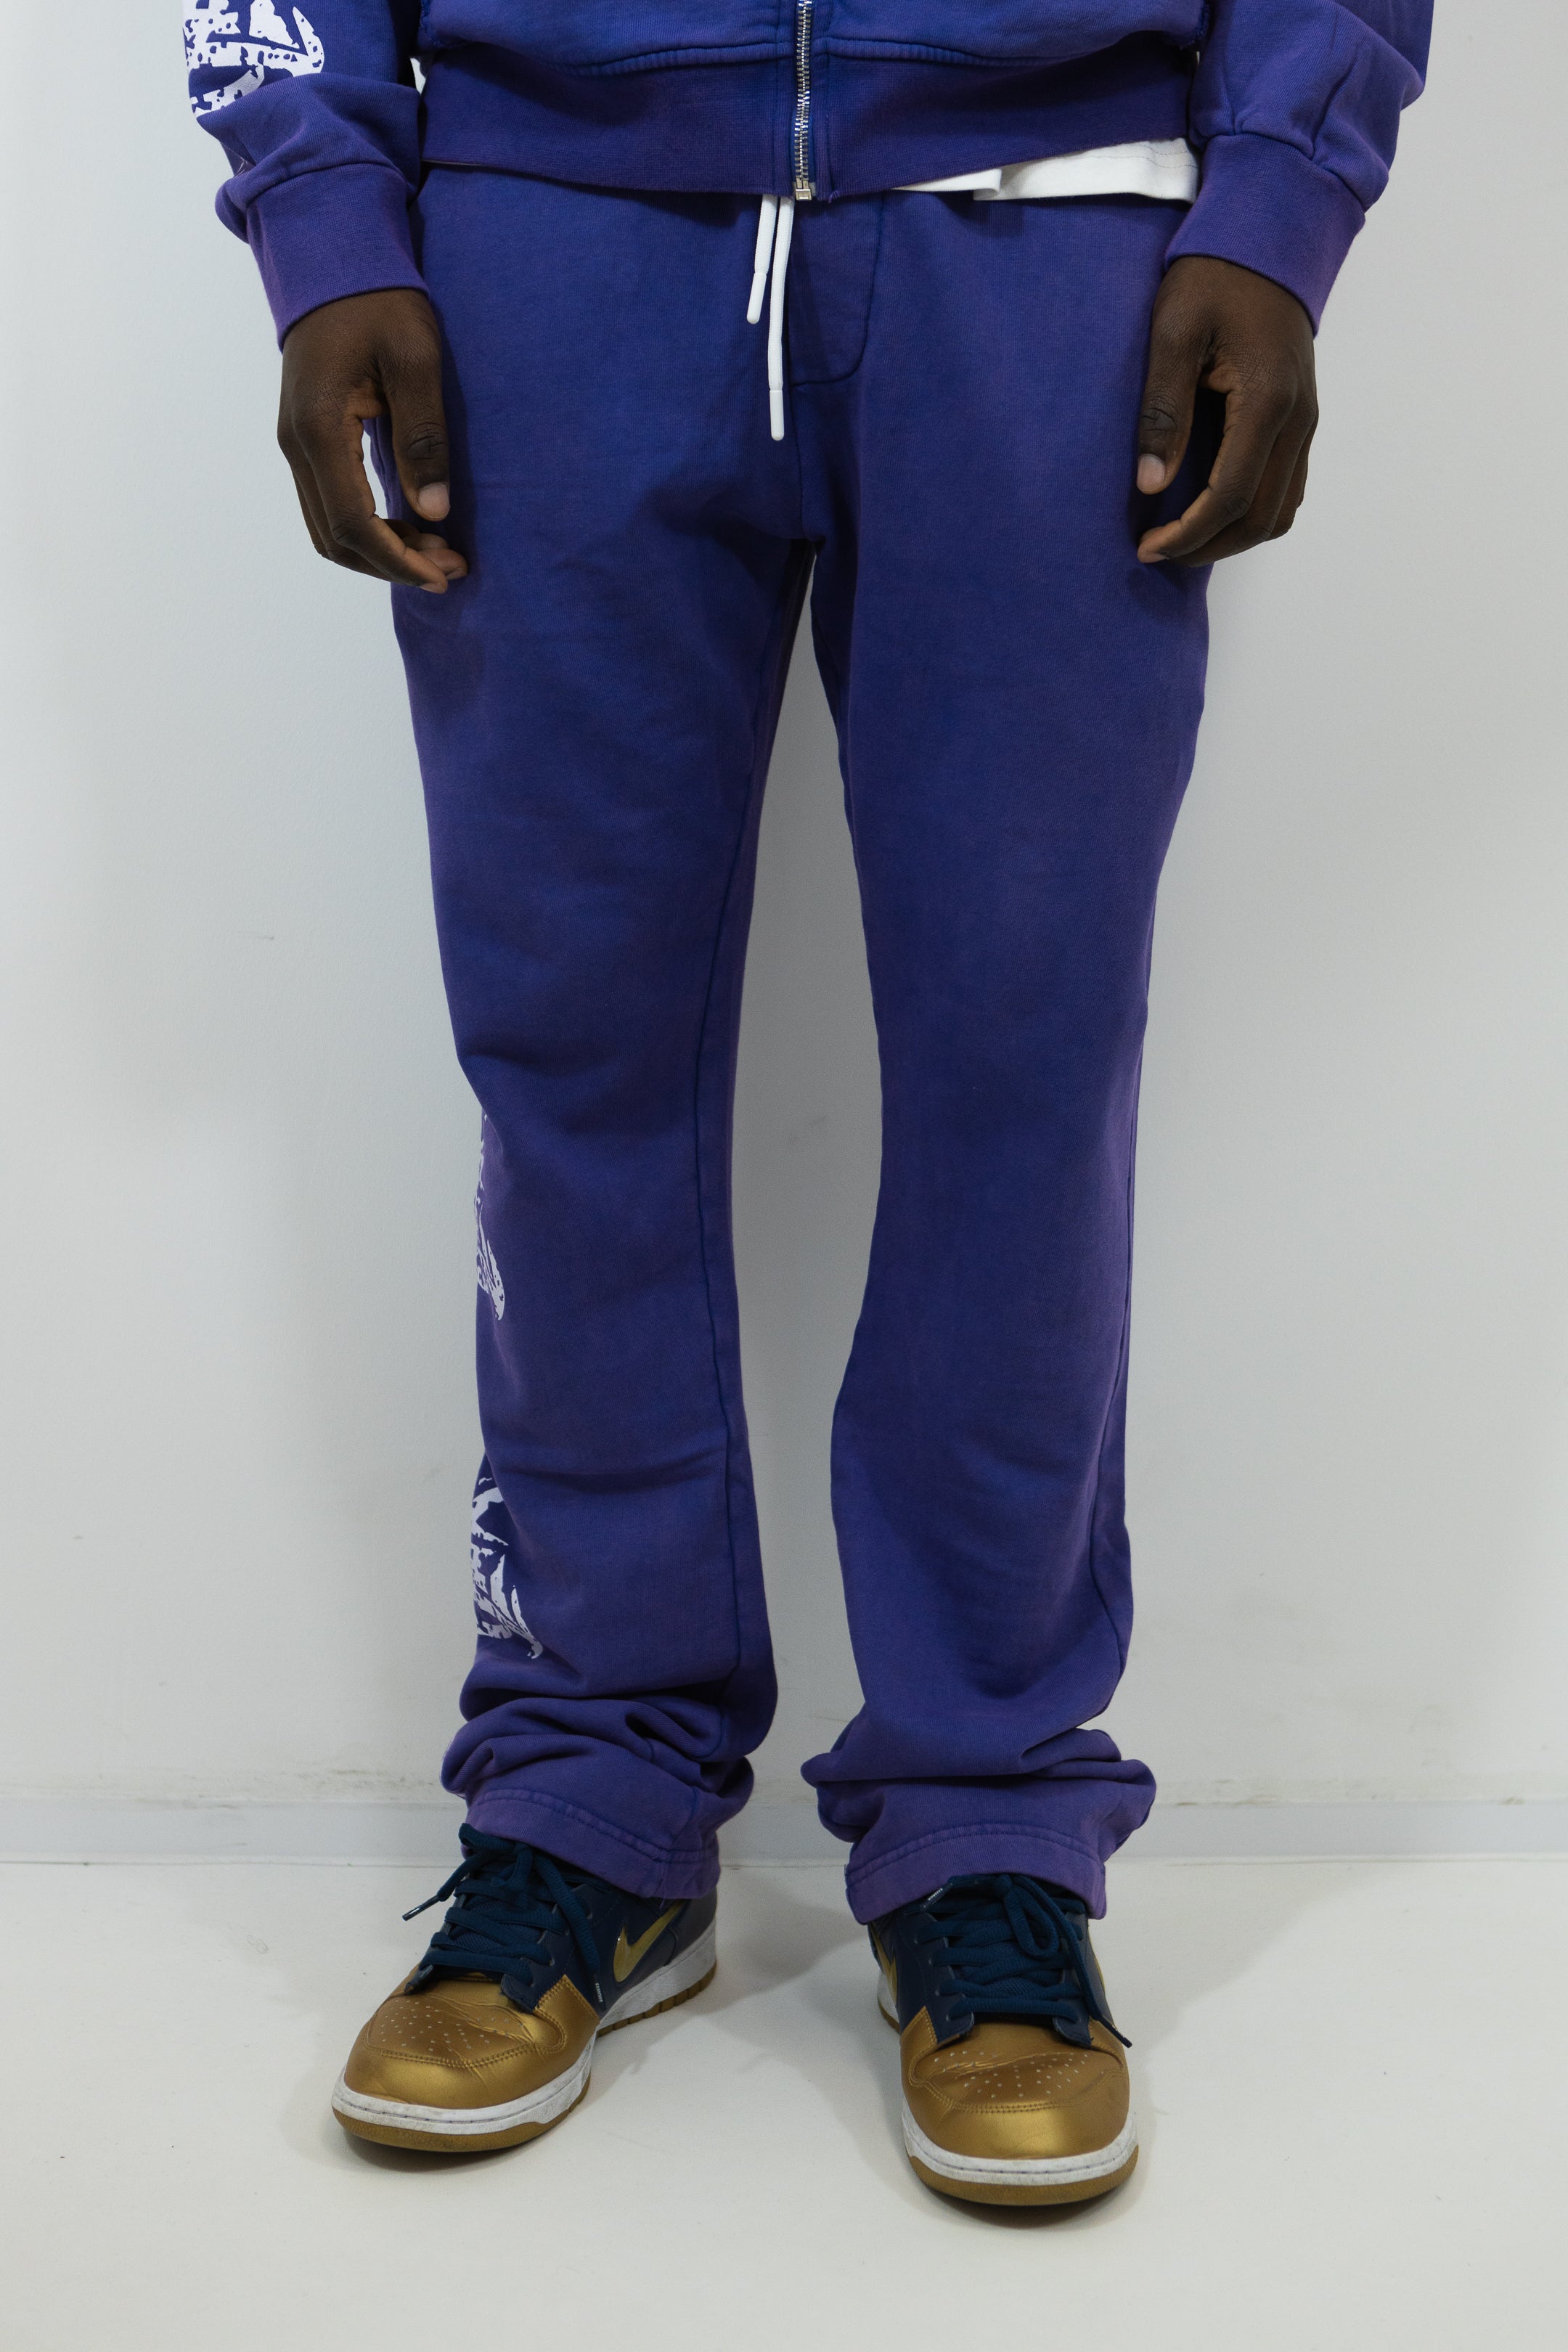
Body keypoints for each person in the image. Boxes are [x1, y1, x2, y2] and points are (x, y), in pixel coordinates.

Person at [186, 0, 1429, 2205]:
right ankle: (589, 1799)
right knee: (570, 1053)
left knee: (1019, 1057)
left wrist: (1281, 192)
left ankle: (988, 1825)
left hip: (1056, 239)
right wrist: (323, 209)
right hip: (547, 238)